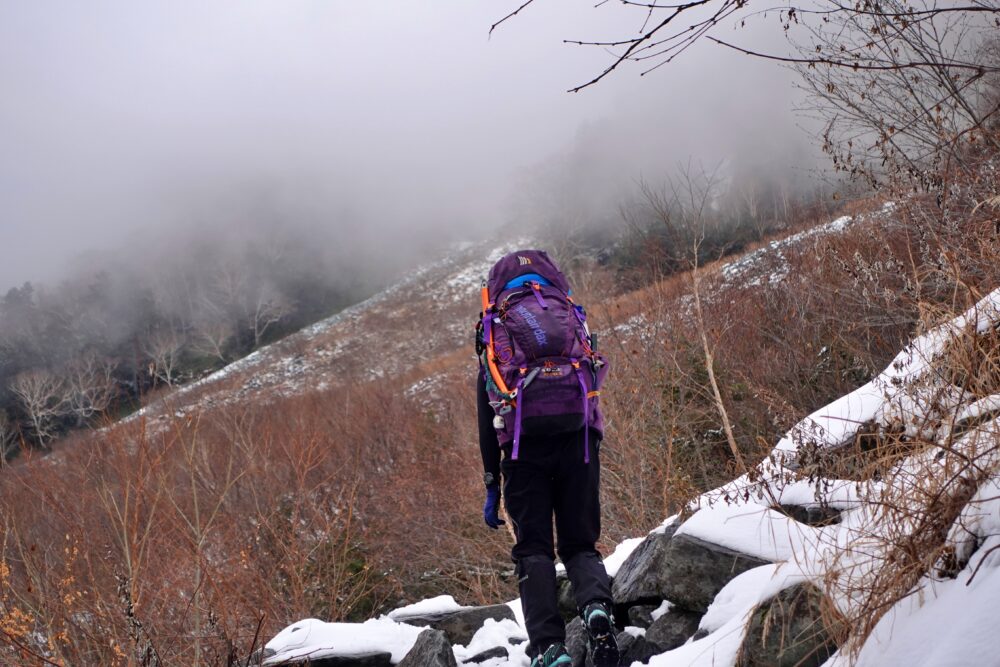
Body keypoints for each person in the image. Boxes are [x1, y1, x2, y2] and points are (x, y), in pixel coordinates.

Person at [475, 249, 619, 667]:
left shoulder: (494, 329)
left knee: (534, 549)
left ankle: (549, 649)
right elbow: (593, 382)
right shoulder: (569, 317)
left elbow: (487, 417)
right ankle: (596, 610)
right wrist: (592, 443)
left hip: (522, 451)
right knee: (580, 544)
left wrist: (491, 484)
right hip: (579, 441)